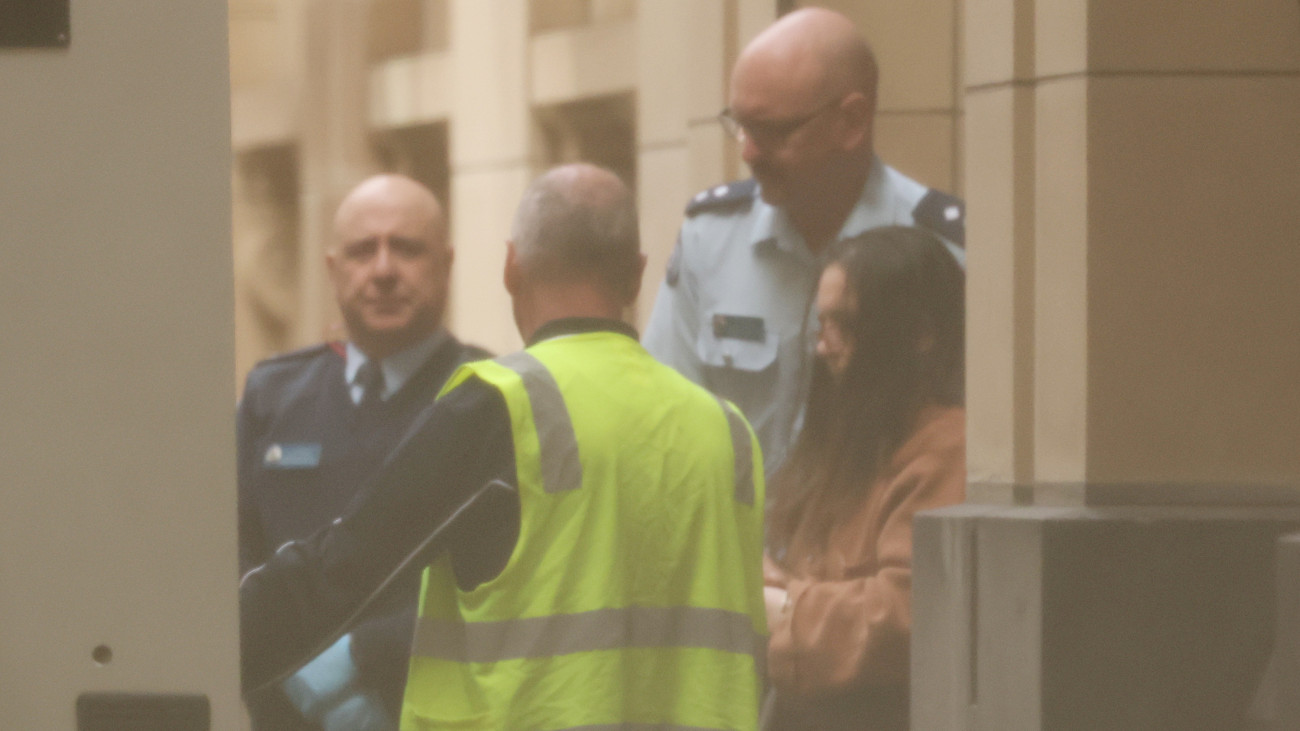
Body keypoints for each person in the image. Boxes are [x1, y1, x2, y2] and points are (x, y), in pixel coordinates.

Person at [240, 163, 769, 731]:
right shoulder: (728, 429)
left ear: (511, 267)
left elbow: (343, 567)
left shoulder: (501, 405)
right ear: (637, 275)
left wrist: (196, 652)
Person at [643, 7, 965, 476]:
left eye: (772, 131)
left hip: (879, 544)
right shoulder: (710, 238)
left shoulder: (943, 250)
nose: (748, 152)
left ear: (851, 122)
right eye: (740, 124)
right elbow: (664, 416)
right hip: (739, 544)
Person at [237, 174, 488, 731]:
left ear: (446, 264)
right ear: (332, 270)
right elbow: (230, 554)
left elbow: (500, 581)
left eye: (407, 248)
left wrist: (364, 661)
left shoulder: (489, 399)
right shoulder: (272, 397)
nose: (382, 271)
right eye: (361, 250)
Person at [760, 226, 966, 731]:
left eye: (845, 326)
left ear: (920, 335)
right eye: (821, 325)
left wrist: (786, 608)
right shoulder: (851, 443)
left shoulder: (947, 448)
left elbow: (906, 616)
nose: (825, 348)